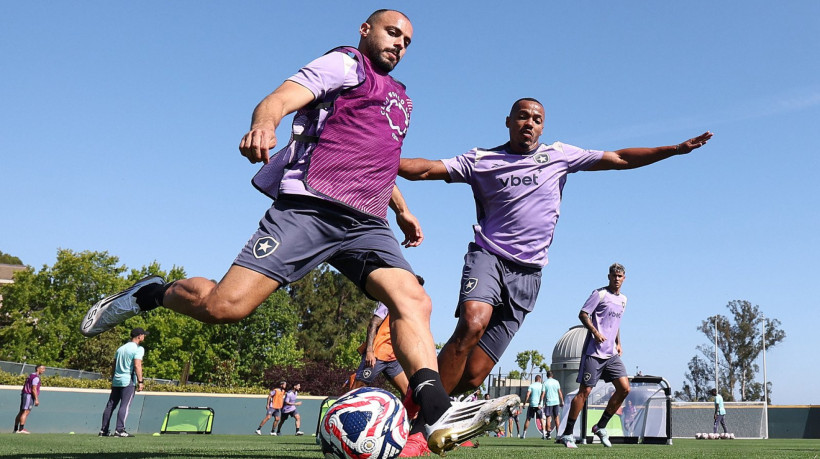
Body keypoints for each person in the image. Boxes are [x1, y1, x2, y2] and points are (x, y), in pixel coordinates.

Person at [80, 9, 517, 456]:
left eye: (407, 42)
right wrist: (264, 124)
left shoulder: (401, 99)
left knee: (414, 301)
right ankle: (152, 294)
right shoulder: (344, 64)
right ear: (365, 29)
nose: (399, 45)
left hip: (366, 223)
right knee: (225, 307)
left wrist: (402, 210)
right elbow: (279, 98)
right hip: (311, 206)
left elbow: (376, 160)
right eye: (392, 33)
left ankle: (436, 408)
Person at [398, 98, 712, 399]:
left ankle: (422, 403)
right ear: (508, 122)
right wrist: (381, 157)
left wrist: (674, 150)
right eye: (522, 116)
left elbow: (620, 159)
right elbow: (425, 169)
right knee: (472, 323)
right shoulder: (482, 160)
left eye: (537, 119)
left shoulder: (559, 155)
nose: (529, 123)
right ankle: (424, 414)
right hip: (489, 257)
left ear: (542, 128)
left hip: (528, 276)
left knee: (473, 376)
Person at [559, 264, 629, 448]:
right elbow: (583, 314)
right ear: (609, 276)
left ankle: (600, 426)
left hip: (611, 354)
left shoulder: (623, 300)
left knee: (624, 389)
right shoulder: (599, 294)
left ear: (624, 278)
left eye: (620, 276)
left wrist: (618, 343)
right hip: (594, 352)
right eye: (614, 275)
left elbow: (615, 323)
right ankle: (567, 434)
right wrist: (595, 332)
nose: (616, 279)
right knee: (585, 392)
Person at [351, 276, 425, 397]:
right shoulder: (389, 302)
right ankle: (341, 407)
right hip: (377, 355)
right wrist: (369, 351)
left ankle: (404, 411)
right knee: (356, 391)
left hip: (392, 358)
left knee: (408, 393)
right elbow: (372, 324)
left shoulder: (409, 309)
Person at [100, 328, 147, 437]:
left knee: (110, 405)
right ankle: (120, 430)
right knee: (125, 405)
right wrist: (140, 381)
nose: (144, 337)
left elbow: (113, 365)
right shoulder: (138, 348)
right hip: (128, 381)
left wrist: (113, 378)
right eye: (143, 335)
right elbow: (137, 365)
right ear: (139, 336)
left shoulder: (121, 348)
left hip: (117, 380)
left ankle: (103, 430)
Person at [13, 364, 45, 434]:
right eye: (42, 369)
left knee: (21, 411)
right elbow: (34, 389)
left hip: (25, 394)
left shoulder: (31, 375)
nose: (44, 370)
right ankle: (21, 429)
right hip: (29, 396)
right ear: (38, 369)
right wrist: (36, 399)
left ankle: (15, 429)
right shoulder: (36, 378)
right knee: (26, 411)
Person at [542, 370, 564, 440]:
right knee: (556, 417)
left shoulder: (545, 383)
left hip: (549, 402)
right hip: (556, 402)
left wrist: (541, 402)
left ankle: (548, 434)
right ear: (552, 375)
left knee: (548, 417)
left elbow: (543, 393)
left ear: (547, 376)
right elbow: (559, 392)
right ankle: (558, 434)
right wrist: (562, 401)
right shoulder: (556, 382)